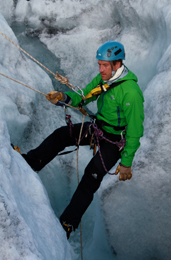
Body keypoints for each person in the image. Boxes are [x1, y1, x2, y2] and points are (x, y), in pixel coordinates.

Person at [22, 41, 144, 239]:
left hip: (114, 141)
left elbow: (135, 131)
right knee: (62, 135)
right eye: (99, 64)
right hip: (99, 128)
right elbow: (84, 96)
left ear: (117, 63)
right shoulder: (104, 79)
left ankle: (68, 223)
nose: (101, 69)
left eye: (105, 65)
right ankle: (32, 162)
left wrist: (126, 163)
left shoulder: (130, 92)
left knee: (90, 178)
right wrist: (64, 97)